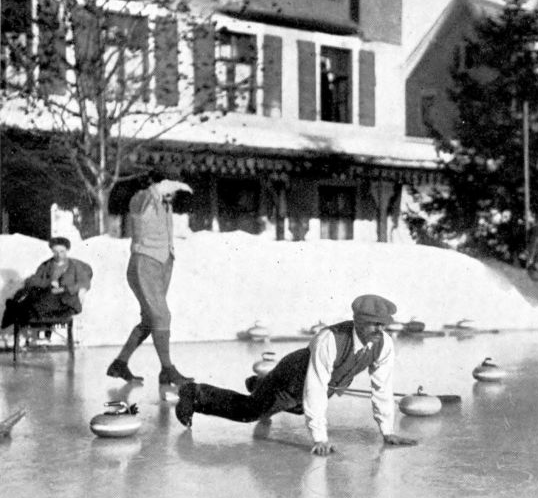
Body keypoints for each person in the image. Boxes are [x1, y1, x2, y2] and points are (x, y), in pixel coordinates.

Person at [174, 294, 418, 456]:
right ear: (358, 321)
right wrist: (320, 439)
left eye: (383, 324)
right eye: (374, 324)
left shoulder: (383, 344)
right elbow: (315, 386)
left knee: (301, 409)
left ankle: (260, 384)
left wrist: (387, 431)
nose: (380, 330)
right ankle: (195, 393)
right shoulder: (330, 339)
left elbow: (382, 388)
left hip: (314, 388)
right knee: (250, 412)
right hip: (290, 379)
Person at [106, 170, 193, 386]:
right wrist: (163, 186)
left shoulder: (165, 204)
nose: (172, 190)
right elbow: (146, 199)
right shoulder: (140, 198)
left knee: (151, 320)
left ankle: (120, 363)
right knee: (161, 316)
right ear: (156, 183)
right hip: (144, 263)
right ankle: (168, 369)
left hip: (163, 263)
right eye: (168, 184)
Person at [1, 237, 93, 332]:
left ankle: (15, 309)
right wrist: (48, 282)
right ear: (52, 251)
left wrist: (64, 289)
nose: (59, 255)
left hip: (66, 302)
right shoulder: (46, 265)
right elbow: (31, 281)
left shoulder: (75, 265)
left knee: (30, 305)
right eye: (55, 252)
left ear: (67, 250)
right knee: (33, 297)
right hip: (47, 299)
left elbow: (84, 282)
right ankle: (16, 309)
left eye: (62, 251)